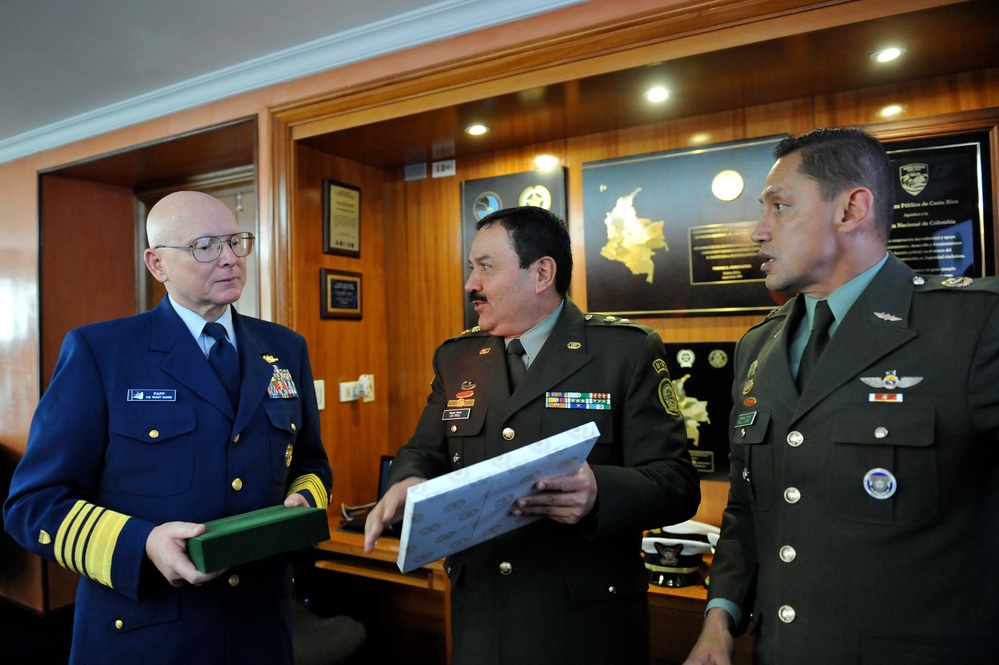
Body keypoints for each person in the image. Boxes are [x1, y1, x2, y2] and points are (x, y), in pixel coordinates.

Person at [683, 128, 999, 665]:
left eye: (779, 207)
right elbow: (747, 510)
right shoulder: (759, 346)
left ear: (852, 209)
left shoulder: (974, 327)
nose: (758, 232)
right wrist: (720, 618)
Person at [4, 191, 332, 664]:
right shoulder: (102, 352)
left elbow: (311, 462)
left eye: (236, 241)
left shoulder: (284, 348)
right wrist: (143, 544)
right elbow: (33, 504)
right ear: (157, 264)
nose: (230, 259)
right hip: (147, 633)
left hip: (259, 626)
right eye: (204, 245)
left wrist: (302, 505)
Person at [365, 205, 700, 665]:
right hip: (482, 619)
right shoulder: (458, 358)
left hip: (583, 626)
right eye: (471, 268)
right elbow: (424, 450)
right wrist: (407, 480)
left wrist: (599, 492)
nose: (471, 285)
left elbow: (676, 483)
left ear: (542, 272)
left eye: (485, 267)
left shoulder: (625, 351)